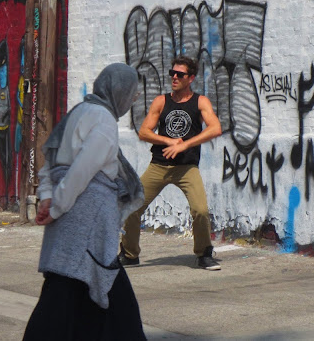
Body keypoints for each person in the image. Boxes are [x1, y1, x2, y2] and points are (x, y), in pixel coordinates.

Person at [23, 63, 146, 341]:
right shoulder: (104, 120)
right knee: (74, 295)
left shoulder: (78, 112)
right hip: (86, 226)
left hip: (71, 221)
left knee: (78, 293)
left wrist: (48, 197)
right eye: (132, 94)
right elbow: (82, 171)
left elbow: (50, 163)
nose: (131, 101)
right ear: (118, 92)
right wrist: (55, 207)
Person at [119, 56, 222, 270]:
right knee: (132, 207)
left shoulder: (200, 102)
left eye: (180, 74)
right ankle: (129, 254)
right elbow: (144, 132)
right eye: (172, 73)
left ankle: (204, 254)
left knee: (200, 210)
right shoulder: (161, 101)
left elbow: (215, 128)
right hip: (159, 166)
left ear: (190, 78)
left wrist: (184, 145)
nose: (174, 77)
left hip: (186, 168)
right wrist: (168, 141)